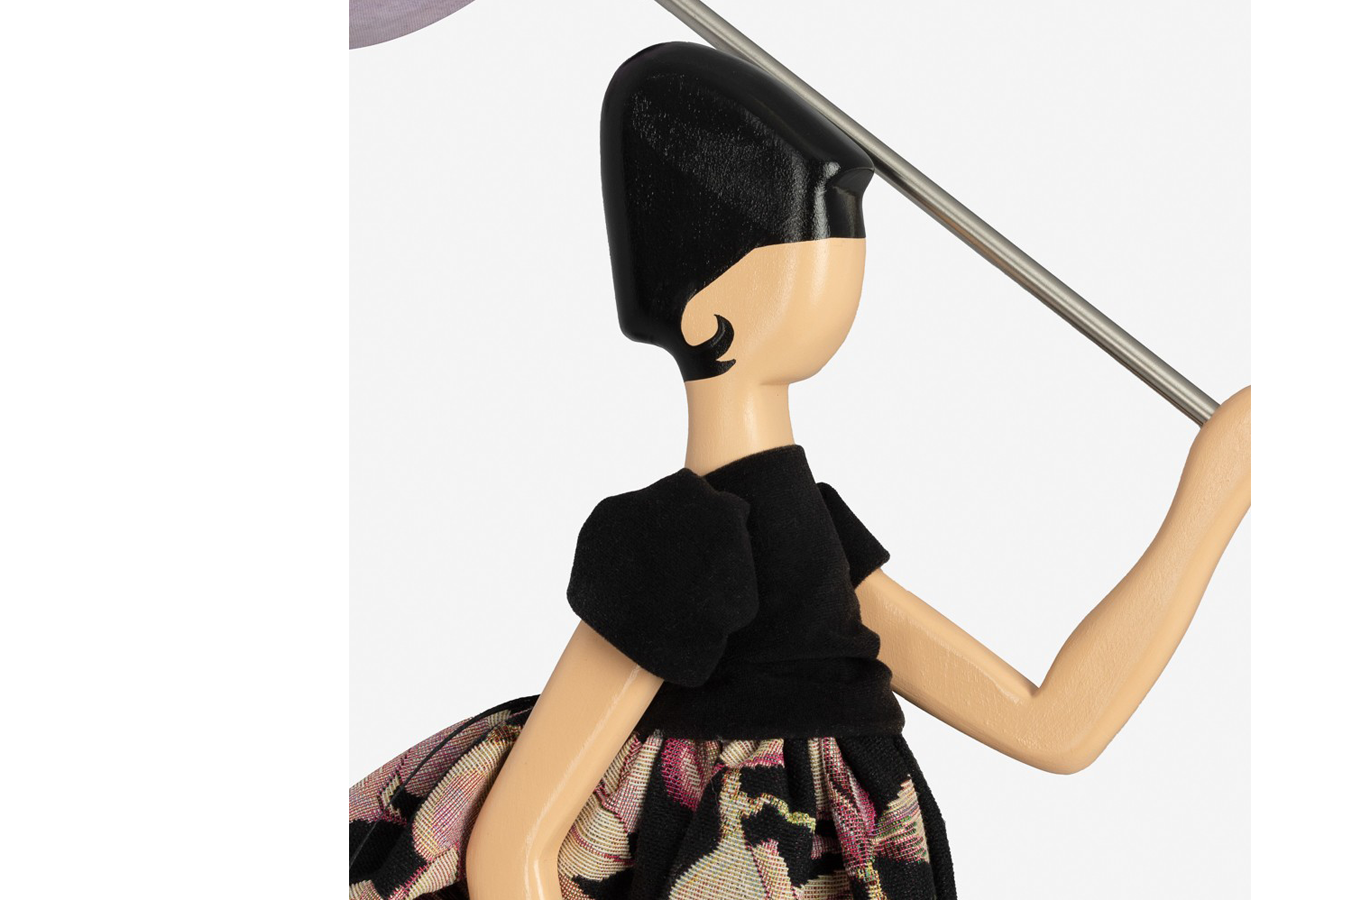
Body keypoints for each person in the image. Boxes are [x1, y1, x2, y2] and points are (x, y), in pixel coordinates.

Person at [350, 41, 1251, 900]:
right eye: (808, 266)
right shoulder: (682, 542)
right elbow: (512, 846)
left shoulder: (806, 530)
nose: (840, 291)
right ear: (707, 316)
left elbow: (1055, 727)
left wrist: (1217, 490)